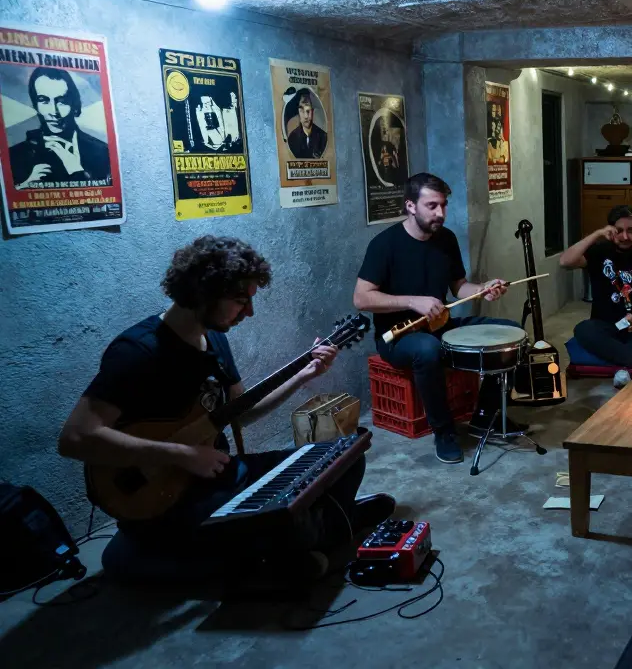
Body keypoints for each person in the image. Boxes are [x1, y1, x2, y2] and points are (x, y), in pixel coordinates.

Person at [57, 236, 393, 586]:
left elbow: (240, 411)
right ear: (203, 294)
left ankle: (310, 535)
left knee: (348, 452)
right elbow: (75, 438)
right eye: (239, 300)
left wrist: (304, 375)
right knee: (269, 523)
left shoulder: (214, 339)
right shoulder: (138, 351)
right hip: (170, 498)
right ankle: (317, 532)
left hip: (220, 473)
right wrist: (181, 455)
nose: (248, 312)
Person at [354, 173, 511, 464]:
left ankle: (485, 416)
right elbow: (361, 298)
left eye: (443, 205)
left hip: (441, 325)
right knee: (427, 349)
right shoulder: (385, 244)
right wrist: (413, 301)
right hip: (399, 337)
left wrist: (482, 290)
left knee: (510, 333)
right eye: (432, 206)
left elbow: (459, 286)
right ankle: (445, 432)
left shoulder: (446, 239)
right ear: (410, 206)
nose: (440, 213)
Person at [560, 204, 632, 388]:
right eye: (619, 231)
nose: (625, 236)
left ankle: (622, 362)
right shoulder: (599, 252)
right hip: (606, 327)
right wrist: (598, 234)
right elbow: (565, 261)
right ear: (610, 231)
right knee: (583, 330)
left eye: (631, 230)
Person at [11, 67, 112, 188]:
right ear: (35, 105)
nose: (54, 111)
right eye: (43, 100)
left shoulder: (102, 152)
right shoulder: (15, 155)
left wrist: (76, 170)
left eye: (62, 101)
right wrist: (24, 187)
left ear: (74, 104)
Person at [287, 88, 328, 159]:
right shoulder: (292, 139)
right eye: (302, 110)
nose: (306, 116)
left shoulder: (323, 137)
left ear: (312, 110)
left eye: (308, 110)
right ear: (298, 112)